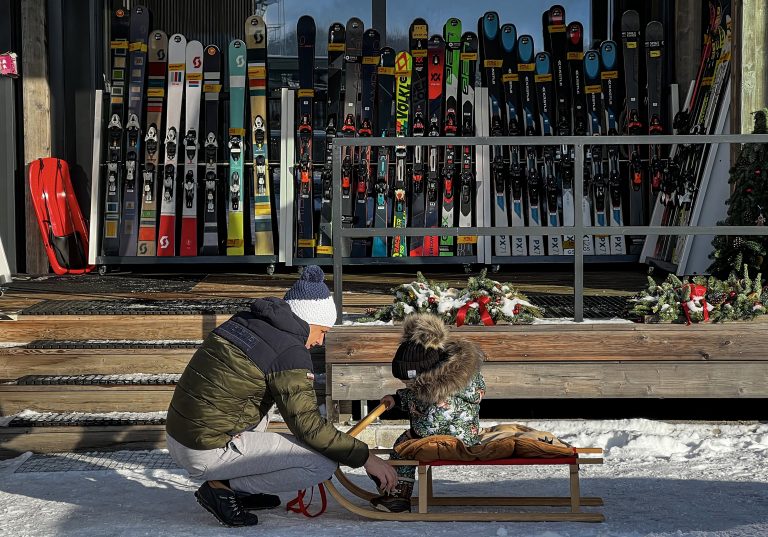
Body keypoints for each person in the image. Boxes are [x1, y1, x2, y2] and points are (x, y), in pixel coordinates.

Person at [165, 265, 398, 527]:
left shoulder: (244, 321)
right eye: (323, 331)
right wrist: (367, 458)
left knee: (264, 398)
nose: (321, 341)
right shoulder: (289, 351)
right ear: (308, 321)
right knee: (321, 464)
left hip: (178, 437)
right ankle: (223, 488)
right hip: (204, 451)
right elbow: (307, 426)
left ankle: (238, 488)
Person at [372, 312, 486, 513]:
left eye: (409, 383)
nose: (407, 386)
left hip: (452, 440)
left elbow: (433, 423)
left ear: (424, 376)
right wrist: (398, 398)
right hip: (462, 434)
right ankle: (393, 482)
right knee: (402, 445)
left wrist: (411, 434)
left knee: (405, 449)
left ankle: (398, 492)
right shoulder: (444, 380)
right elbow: (417, 396)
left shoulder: (442, 393)